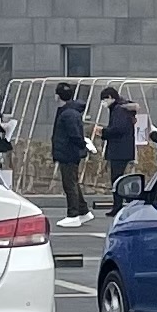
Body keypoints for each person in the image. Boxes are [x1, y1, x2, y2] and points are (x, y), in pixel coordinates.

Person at [51, 82, 93, 227]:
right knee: (72, 182)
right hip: (70, 152)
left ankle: (73, 214)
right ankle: (83, 211)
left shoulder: (67, 113)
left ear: (57, 96)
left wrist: (82, 145)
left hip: (68, 152)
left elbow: (74, 135)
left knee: (69, 184)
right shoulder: (70, 111)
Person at [96, 87, 139, 215]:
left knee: (117, 179)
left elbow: (118, 129)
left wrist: (103, 132)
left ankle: (118, 205)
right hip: (123, 149)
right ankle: (121, 204)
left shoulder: (118, 110)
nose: (103, 103)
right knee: (119, 178)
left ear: (110, 97)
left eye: (104, 100)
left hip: (119, 150)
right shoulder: (122, 109)